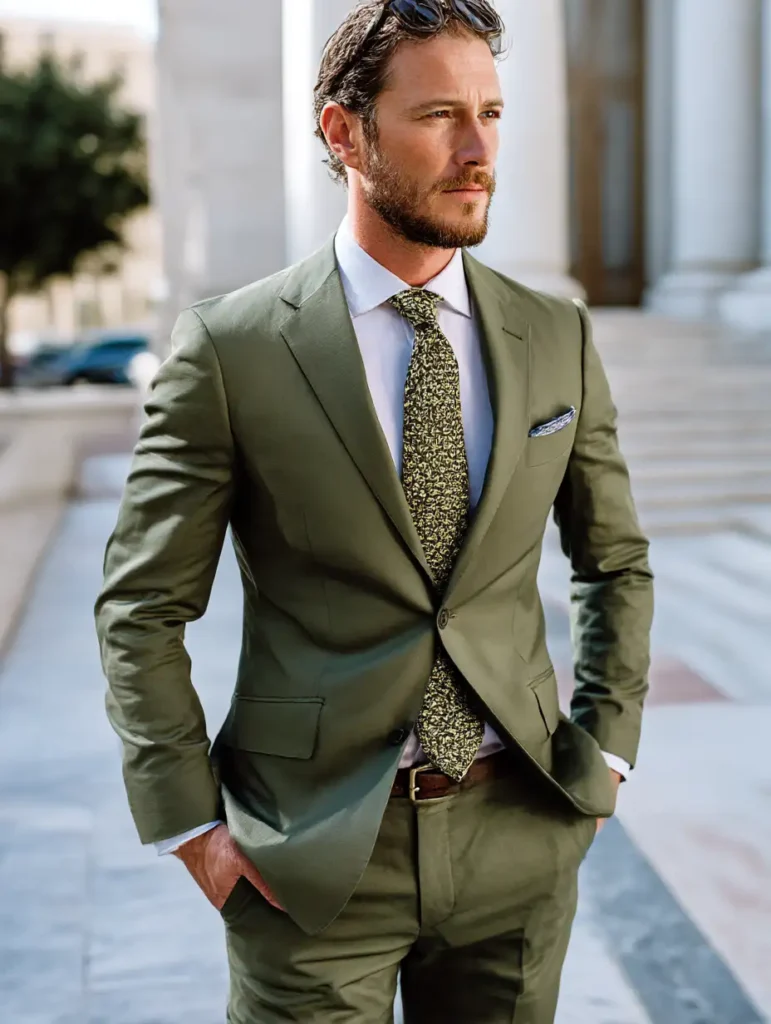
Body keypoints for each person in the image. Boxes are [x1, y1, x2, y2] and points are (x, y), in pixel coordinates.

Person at [95, 1, 653, 1020]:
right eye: (440, 114)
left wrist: (605, 752)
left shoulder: (555, 336)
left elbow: (613, 560)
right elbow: (140, 607)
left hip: (516, 840)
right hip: (309, 859)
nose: (479, 148)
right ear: (343, 132)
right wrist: (191, 830)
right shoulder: (233, 350)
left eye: (491, 111)